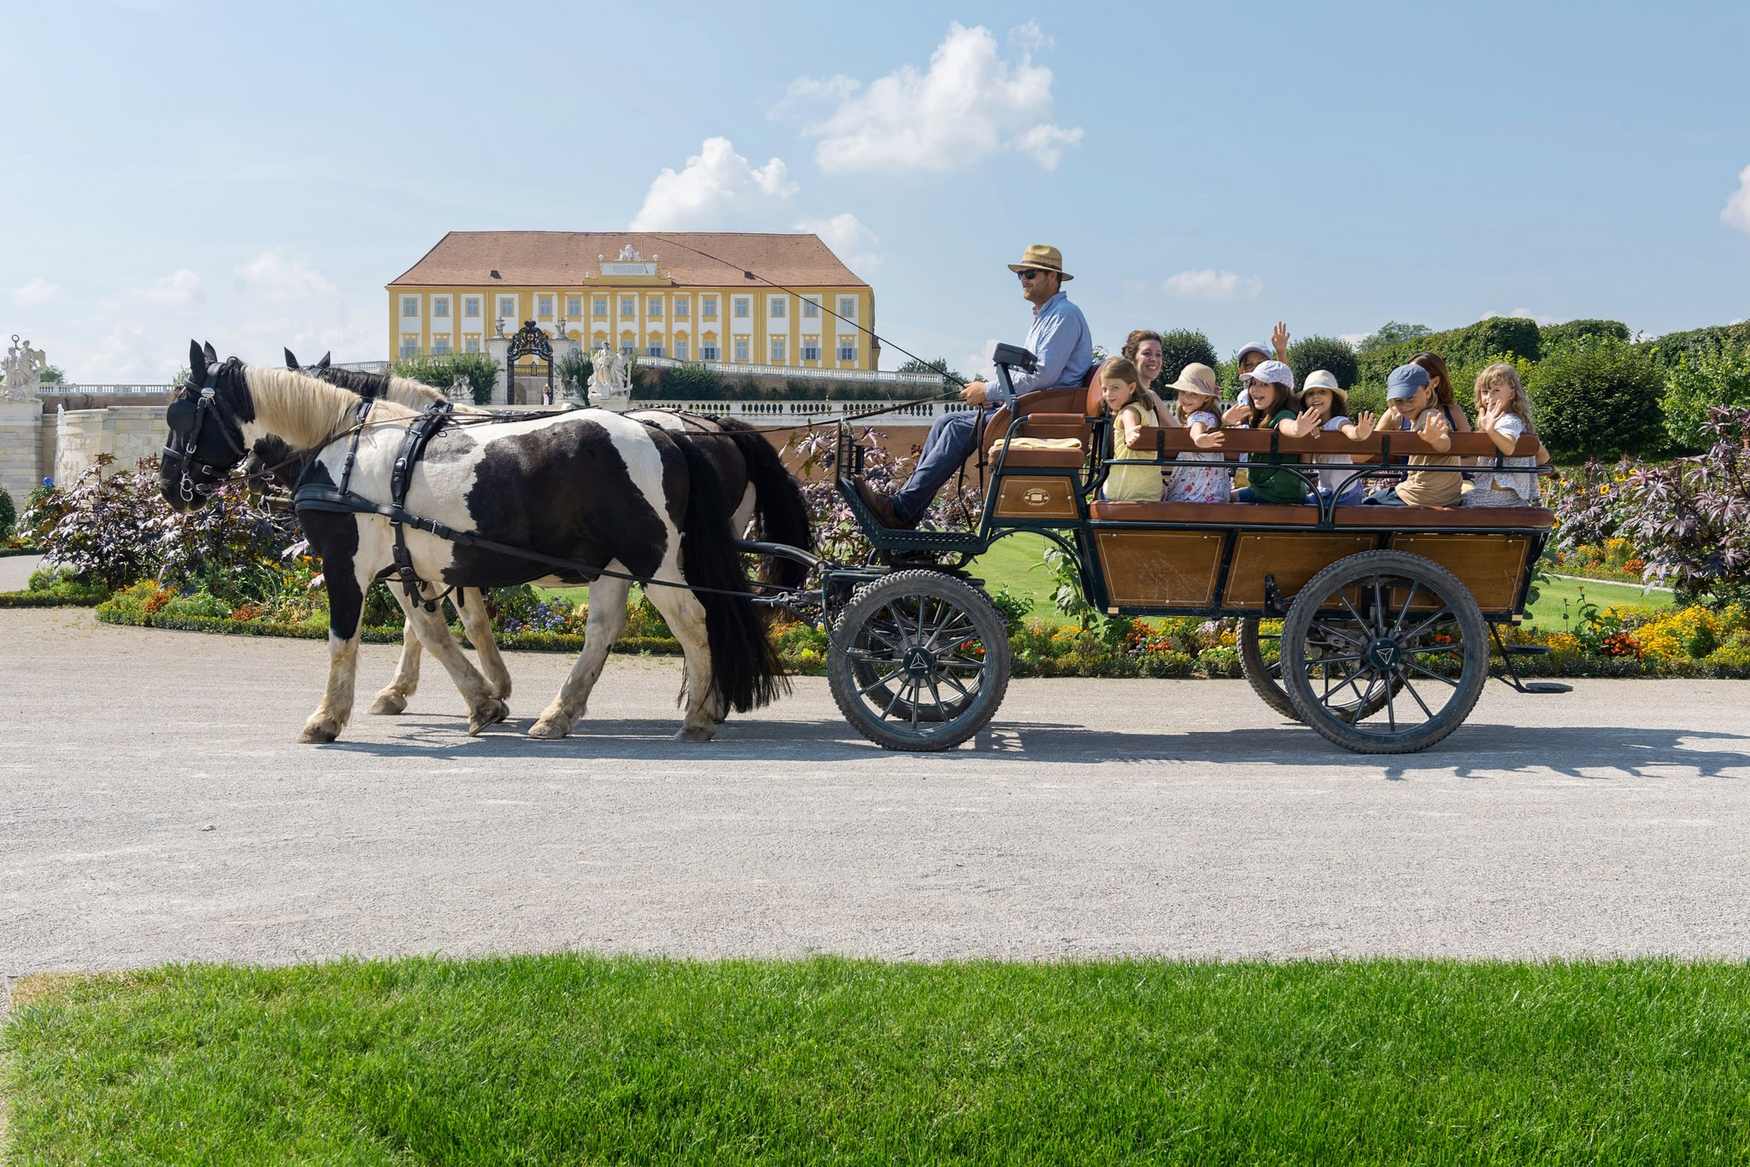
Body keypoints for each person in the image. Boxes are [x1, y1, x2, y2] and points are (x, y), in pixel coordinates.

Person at [857, 243, 1092, 528]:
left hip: (1045, 416)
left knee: (956, 429)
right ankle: (906, 511)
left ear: (1053, 277)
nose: (1023, 280)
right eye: (1020, 275)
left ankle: (902, 509)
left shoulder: (1063, 315)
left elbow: (1044, 376)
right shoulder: (1046, 316)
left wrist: (988, 391)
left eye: (1030, 274)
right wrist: (991, 394)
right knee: (945, 421)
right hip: (1035, 407)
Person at [1363, 363, 1458, 506]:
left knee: (1365, 506)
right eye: (1399, 401)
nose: (1405, 406)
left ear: (1427, 392)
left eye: (1411, 398)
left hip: (1421, 496)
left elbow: (1445, 443)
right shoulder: (1420, 416)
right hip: (1445, 496)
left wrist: (1437, 439)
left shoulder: (1429, 416)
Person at [1278, 370, 1375, 506]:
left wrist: (1360, 433)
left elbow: (1349, 430)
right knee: (1299, 507)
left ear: (1333, 397)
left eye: (1322, 392)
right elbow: (1305, 464)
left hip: (1347, 492)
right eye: (1310, 393)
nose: (1315, 397)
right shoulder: (1312, 427)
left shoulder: (1337, 421)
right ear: (1305, 400)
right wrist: (1308, 436)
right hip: (1326, 492)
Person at [1466, 362, 1547, 506]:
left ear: (1512, 393)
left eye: (1496, 390)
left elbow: (1508, 447)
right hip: (1501, 496)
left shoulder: (1510, 420)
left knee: (1454, 504)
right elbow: (1544, 457)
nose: (1489, 397)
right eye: (1485, 392)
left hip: (1498, 497)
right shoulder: (1506, 421)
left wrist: (1490, 429)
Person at [1230, 360, 1309, 504]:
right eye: (1253, 383)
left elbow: (1286, 425)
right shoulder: (1260, 417)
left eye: (1264, 384)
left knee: (1225, 500)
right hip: (1268, 490)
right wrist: (1226, 419)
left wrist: (1297, 429)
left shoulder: (1283, 414)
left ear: (1281, 390)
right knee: (1228, 498)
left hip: (1276, 493)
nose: (1255, 389)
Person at [1097, 359, 1163, 501]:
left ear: (1131, 388)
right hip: (1151, 491)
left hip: (1123, 491)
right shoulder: (1149, 410)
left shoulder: (1129, 410)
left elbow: (1130, 420)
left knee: (1100, 492)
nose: (1108, 394)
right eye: (1104, 389)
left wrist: (1130, 432)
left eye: (1115, 387)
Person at [1163, 362, 1229, 502]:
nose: (1186, 398)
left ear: (1206, 397)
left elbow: (1197, 426)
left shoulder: (1198, 416)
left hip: (1190, 492)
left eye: (1193, 394)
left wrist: (1198, 438)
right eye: (1182, 392)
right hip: (1214, 493)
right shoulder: (1212, 415)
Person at [1123, 329, 1166, 397]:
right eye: (1147, 353)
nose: (1154, 359)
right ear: (1132, 358)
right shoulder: (1124, 396)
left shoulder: (1151, 397)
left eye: (1158, 354)